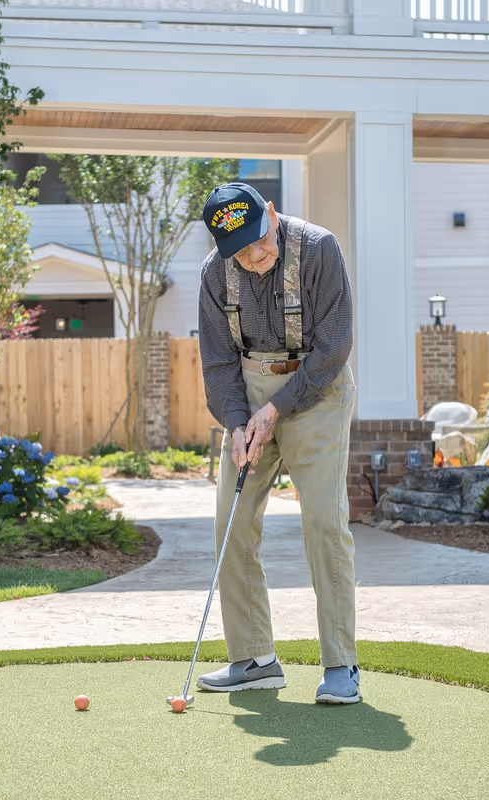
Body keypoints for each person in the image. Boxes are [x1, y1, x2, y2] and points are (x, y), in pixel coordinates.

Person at [195, 182, 360, 704]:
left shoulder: (320, 250)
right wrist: (238, 421)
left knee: (323, 521)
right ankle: (253, 659)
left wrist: (277, 409)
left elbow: (334, 345)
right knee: (233, 520)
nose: (256, 254)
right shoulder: (213, 276)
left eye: (260, 241)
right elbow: (219, 364)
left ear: (270, 212)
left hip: (318, 388)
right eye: (242, 250)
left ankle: (340, 665)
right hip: (249, 393)